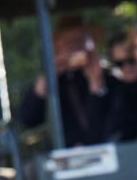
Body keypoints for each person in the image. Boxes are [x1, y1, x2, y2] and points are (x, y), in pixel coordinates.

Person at [16, 15, 127, 147]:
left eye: (80, 41)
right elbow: (27, 119)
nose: (75, 48)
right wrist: (47, 78)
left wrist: (96, 84)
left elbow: (113, 123)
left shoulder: (111, 78)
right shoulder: (55, 82)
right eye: (69, 43)